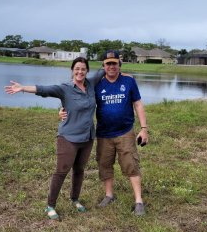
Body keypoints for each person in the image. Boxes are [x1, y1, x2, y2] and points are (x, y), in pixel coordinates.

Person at [4, 57, 104, 220]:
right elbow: (43, 89)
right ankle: (50, 205)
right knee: (61, 171)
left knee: (79, 170)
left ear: (87, 71)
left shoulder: (91, 83)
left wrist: (118, 64)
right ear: (72, 70)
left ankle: (75, 199)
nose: (80, 72)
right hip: (68, 137)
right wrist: (22, 88)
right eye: (77, 69)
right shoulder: (64, 88)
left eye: (83, 69)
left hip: (87, 137)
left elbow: (104, 69)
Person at [60, 50, 149, 216]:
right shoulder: (96, 84)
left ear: (119, 65)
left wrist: (144, 129)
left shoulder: (129, 81)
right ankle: (109, 195)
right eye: (108, 64)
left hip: (125, 132)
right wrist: (62, 110)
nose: (111, 66)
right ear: (104, 66)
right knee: (104, 165)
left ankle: (139, 201)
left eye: (114, 63)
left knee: (131, 164)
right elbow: (76, 96)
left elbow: (138, 104)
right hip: (103, 134)